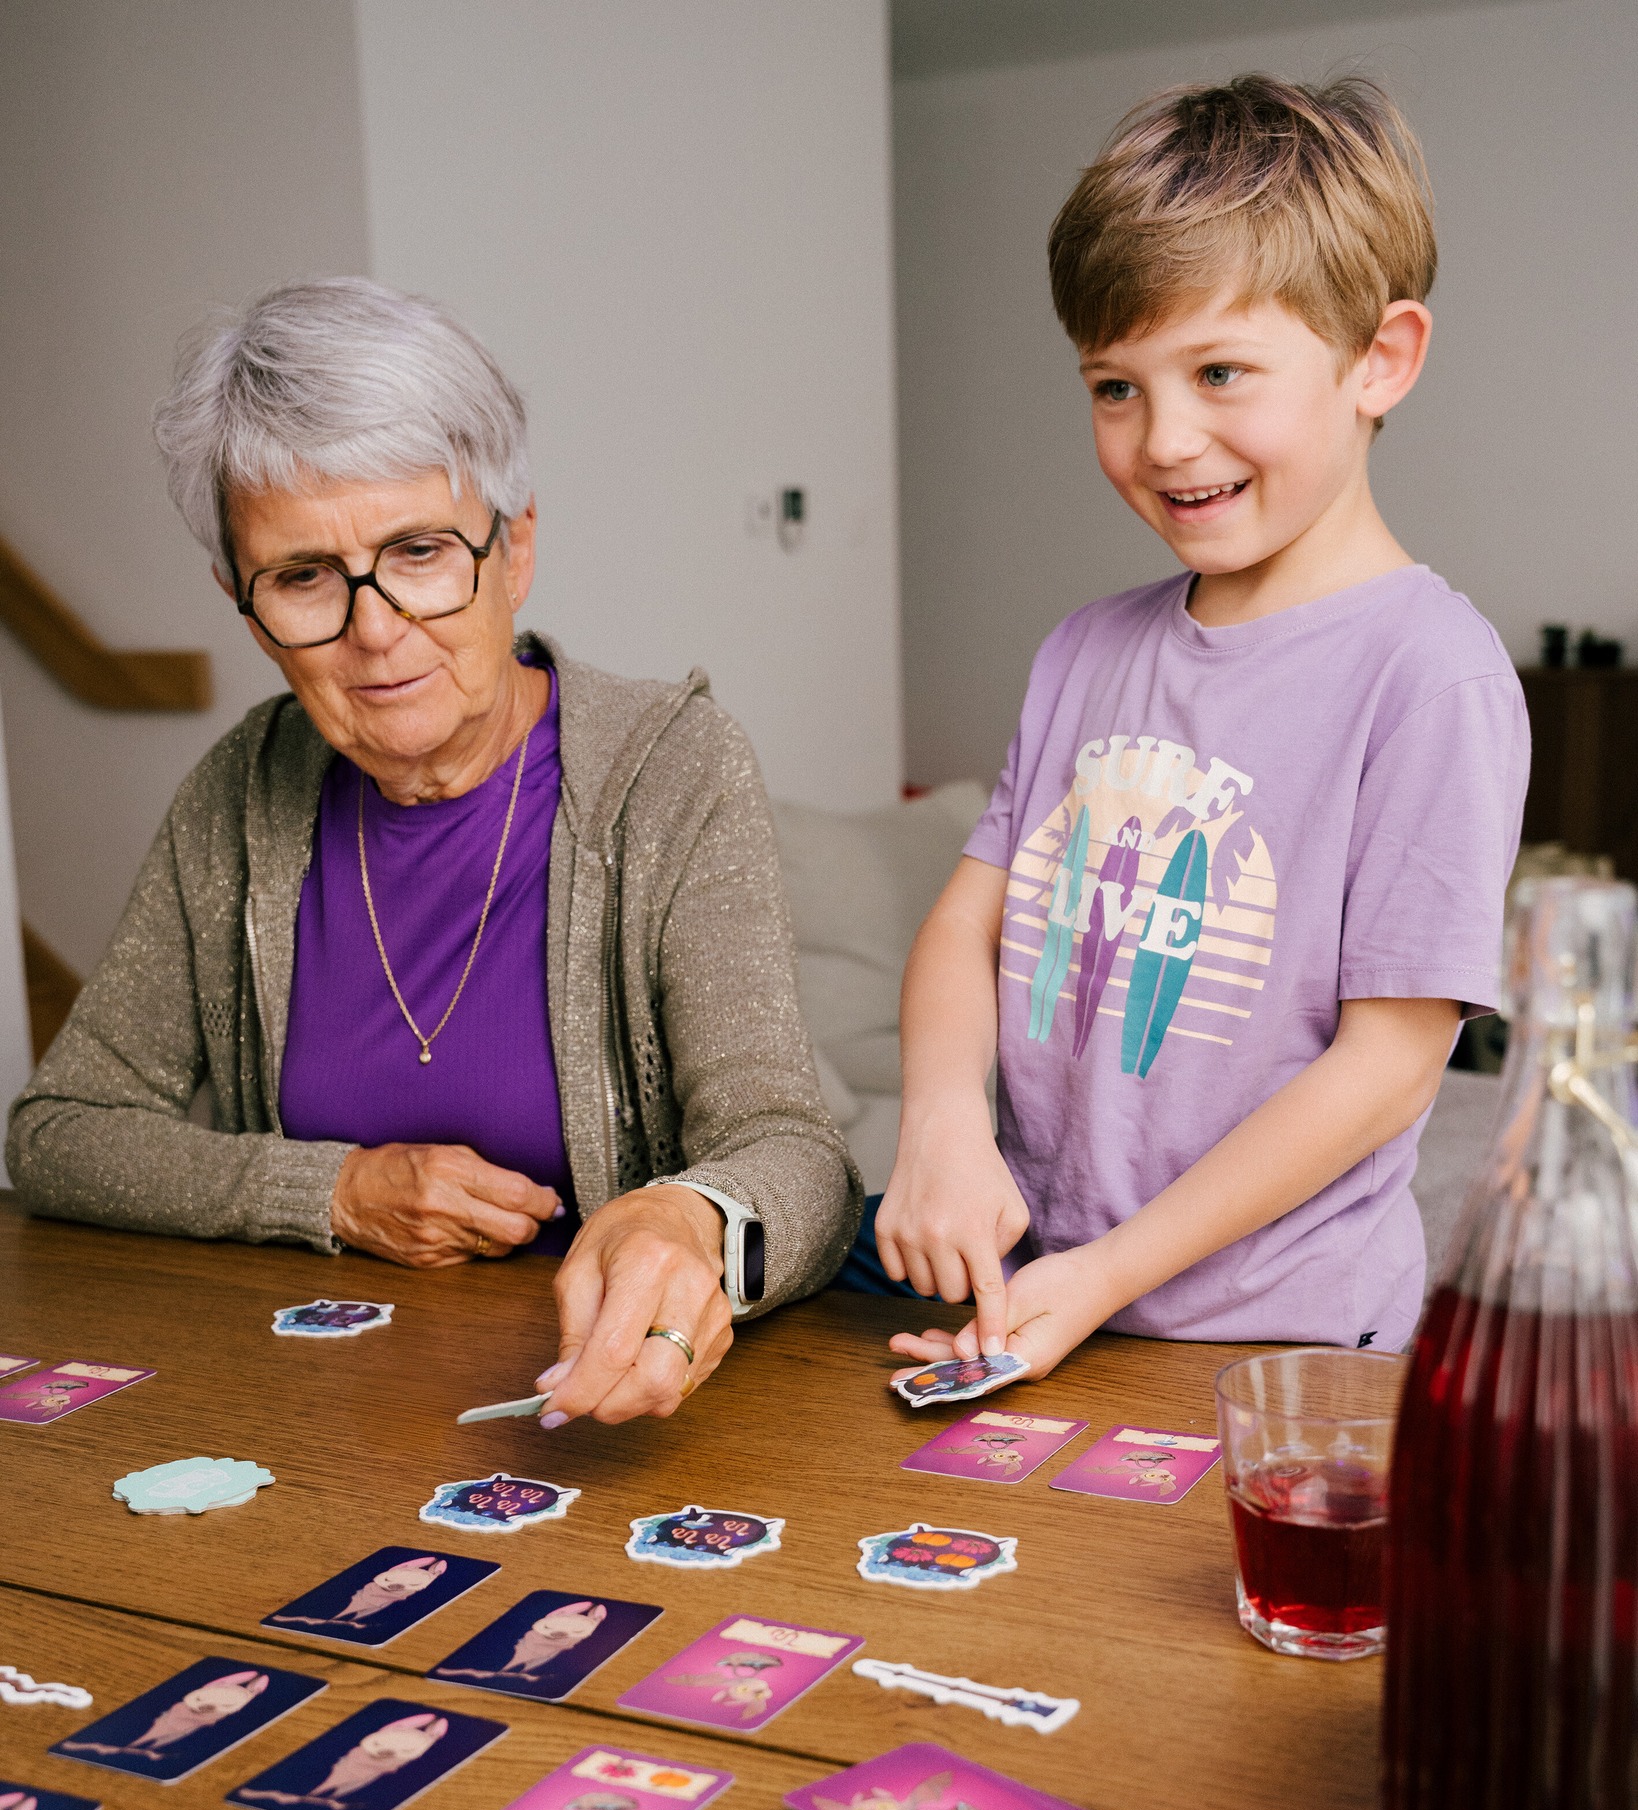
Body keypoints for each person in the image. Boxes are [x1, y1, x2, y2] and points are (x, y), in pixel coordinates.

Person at [6, 279, 859, 1426]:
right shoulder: (238, 797)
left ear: (515, 550)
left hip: (607, 1413)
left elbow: (796, 1156)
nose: (373, 628)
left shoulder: (670, 771)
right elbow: (59, 1135)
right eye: (304, 575)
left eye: (418, 550)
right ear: (244, 605)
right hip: (318, 1411)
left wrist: (693, 1216)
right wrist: (334, 1191)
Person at [868, 76, 1528, 1378]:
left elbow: (1390, 1067)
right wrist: (941, 1123)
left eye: (1220, 371)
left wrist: (1107, 1270)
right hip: (1046, 1293)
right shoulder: (1083, 650)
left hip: (1276, 1335)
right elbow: (967, 921)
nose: (1164, 439)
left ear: (1377, 360)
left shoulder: (1430, 677)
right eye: (1114, 386)